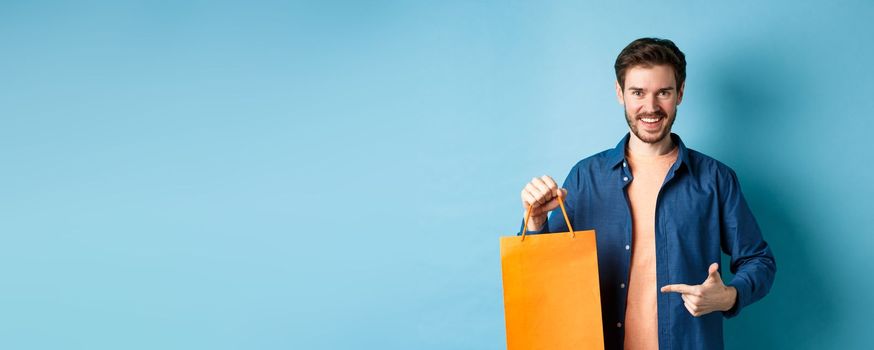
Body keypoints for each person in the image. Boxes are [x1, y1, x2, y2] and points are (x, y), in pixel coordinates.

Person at [519, 38, 776, 349]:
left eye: (663, 93)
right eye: (638, 93)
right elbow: (544, 274)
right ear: (620, 93)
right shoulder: (586, 176)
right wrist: (534, 221)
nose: (650, 107)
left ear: (680, 93)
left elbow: (759, 260)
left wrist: (729, 296)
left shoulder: (715, 179)